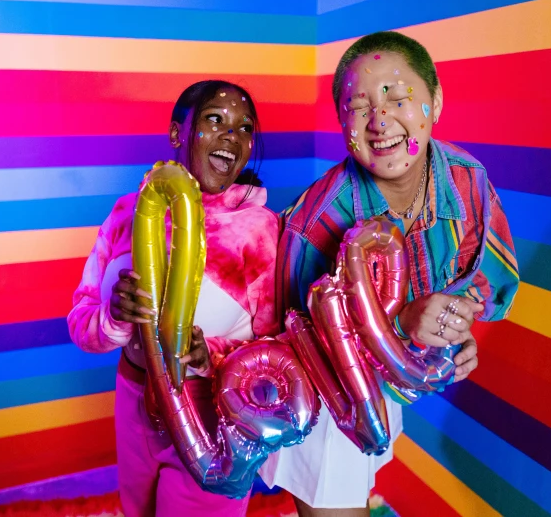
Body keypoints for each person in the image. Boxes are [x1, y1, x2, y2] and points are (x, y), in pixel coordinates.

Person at [258, 31, 520, 516]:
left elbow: (477, 272)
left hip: (387, 389)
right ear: (341, 121)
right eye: (359, 107)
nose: (380, 122)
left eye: (398, 98)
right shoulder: (316, 223)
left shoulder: (466, 179)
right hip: (325, 407)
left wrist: (456, 326)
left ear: (435, 101)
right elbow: (295, 348)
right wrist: (400, 324)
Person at [67, 80, 279, 517]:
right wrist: (113, 318)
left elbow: (277, 354)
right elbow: (80, 322)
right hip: (133, 404)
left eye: (243, 128)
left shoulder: (259, 230)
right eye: (214, 120)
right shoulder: (127, 213)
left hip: (213, 416)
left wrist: (212, 356)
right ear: (178, 133)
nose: (230, 136)